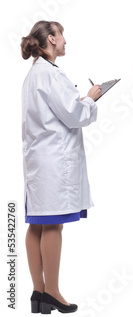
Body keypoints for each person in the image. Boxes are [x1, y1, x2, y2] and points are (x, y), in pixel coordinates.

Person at [21, 21, 102, 314]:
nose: (66, 40)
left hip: (38, 161)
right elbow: (73, 114)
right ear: (52, 39)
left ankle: (38, 293)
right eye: (62, 35)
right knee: (53, 223)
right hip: (54, 161)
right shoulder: (50, 74)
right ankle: (53, 292)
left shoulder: (34, 75)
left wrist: (80, 102)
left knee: (37, 223)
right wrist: (90, 100)